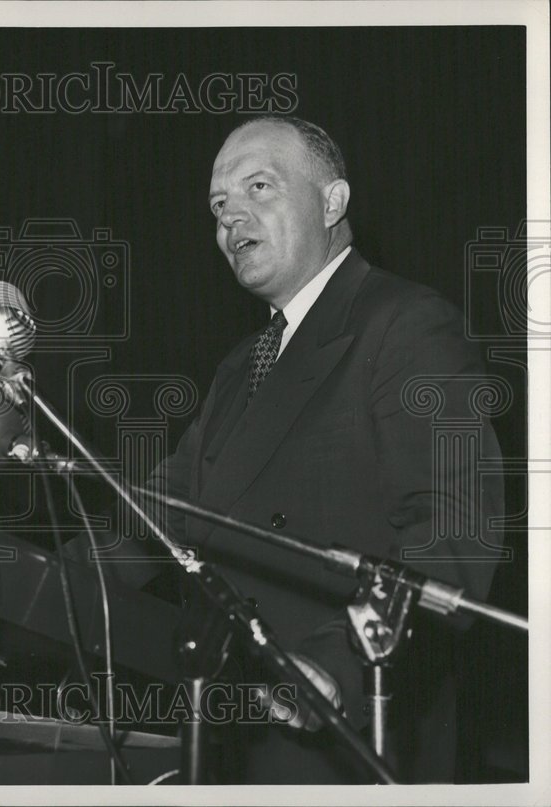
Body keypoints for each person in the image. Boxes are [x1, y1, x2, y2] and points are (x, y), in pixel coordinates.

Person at [150, 115, 504, 783]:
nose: (232, 219)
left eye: (259, 187)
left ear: (334, 201)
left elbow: (452, 532)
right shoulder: (239, 367)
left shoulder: (406, 324)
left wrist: (336, 664)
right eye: (219, 205)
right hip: (232, 736)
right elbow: (154, 513)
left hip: (348, 733)